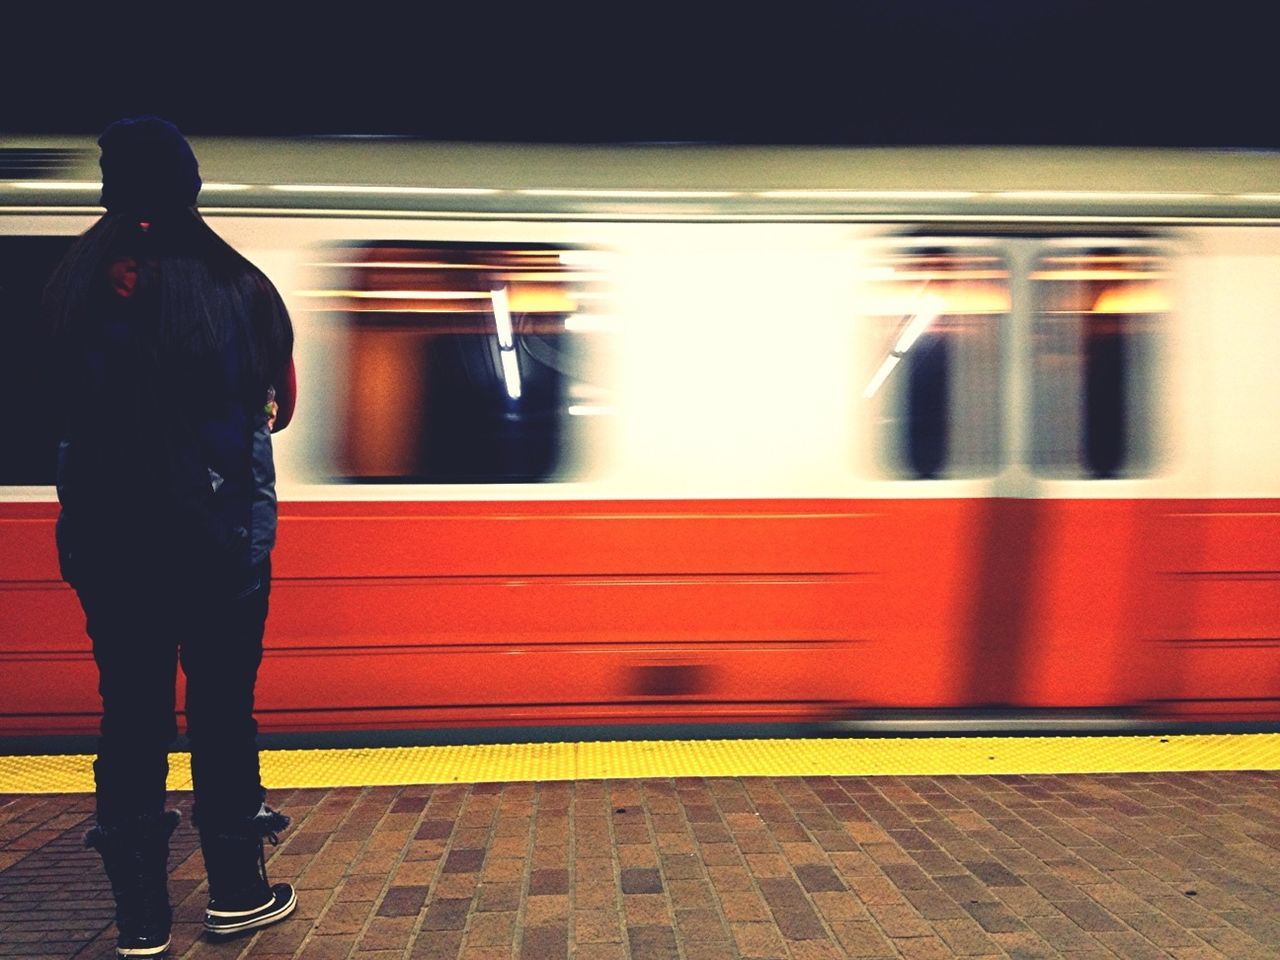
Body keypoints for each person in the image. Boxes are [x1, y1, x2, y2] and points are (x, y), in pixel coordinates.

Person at [46, 117, 298, 958]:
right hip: (221, 539)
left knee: (132, 717)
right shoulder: (242, 284)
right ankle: (236, 894)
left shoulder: (70, 284)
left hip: (111, 543)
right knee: (224, 711)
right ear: (190, 186)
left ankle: (143, 922)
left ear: (110, 187)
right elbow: (281, 405)